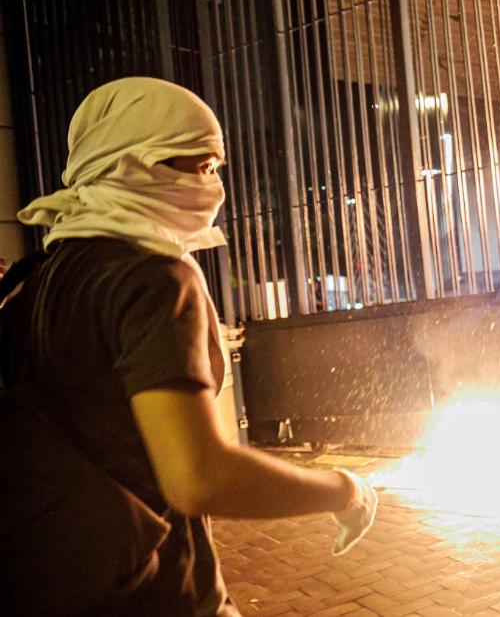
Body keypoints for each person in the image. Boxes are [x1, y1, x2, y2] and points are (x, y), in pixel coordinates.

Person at [2, 77, 377, 615]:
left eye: (215, 167)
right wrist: (343, 489)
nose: (213, 186)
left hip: (59, 583)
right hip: (158, 590)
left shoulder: (41, 278)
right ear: (128, 163)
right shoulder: (153, 278)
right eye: (196, 166)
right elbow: (199, 477)